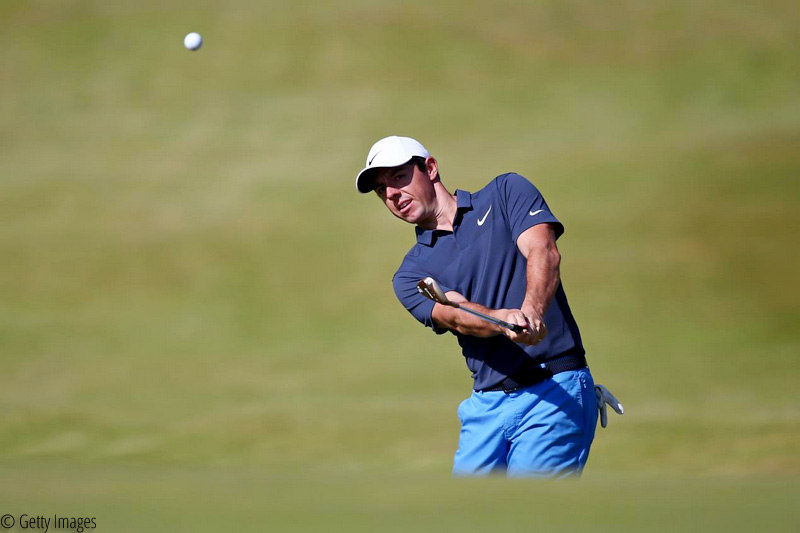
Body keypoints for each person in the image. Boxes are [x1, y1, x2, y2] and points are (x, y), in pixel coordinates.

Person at [355, 135, 622, 477]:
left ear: (430, 168)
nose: (392, 194)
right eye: (382, 190)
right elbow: (456, 314)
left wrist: (532, 312)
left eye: (398, 177)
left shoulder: (506, 193)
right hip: (486, 408)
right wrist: (501, 321)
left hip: (554, 389)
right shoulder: (410, 274)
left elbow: (542, 250)